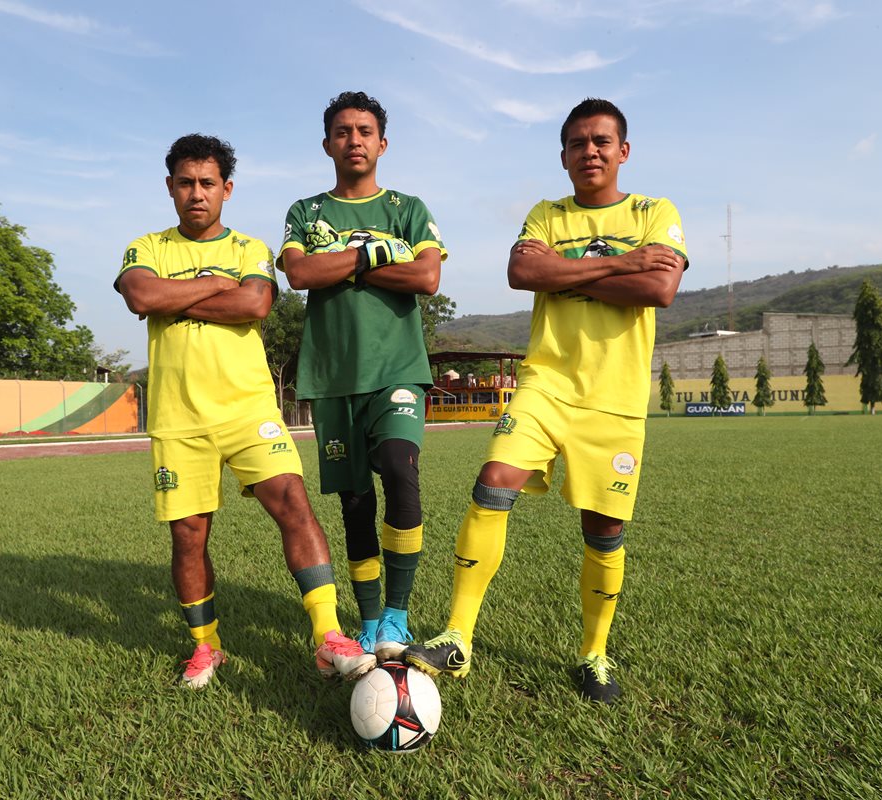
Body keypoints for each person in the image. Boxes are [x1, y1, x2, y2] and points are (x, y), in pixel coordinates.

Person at [404, 98, 688, 703]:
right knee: (492, 485)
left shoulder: (654, 211)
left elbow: (659, 287)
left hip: (615, 398)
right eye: (579, 143)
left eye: (602, 141)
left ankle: (594, 654)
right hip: (545, 382)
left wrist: (572, 268)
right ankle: (458, 638)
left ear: (624, 151)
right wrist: (623, 261)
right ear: (563, 156)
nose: (591, 151)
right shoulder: (545, 213)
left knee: (603, 528)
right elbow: (522, 273)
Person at [114, 133, 375, 689]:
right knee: (188, 535)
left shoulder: (249, 248)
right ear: (170, 187)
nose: (196, 193)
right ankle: (205, 648)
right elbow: (141, 296)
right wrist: (214, 287)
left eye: (207, 183)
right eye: (185, 183)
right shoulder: (146, 247)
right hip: (178, 417)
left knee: (294, 507)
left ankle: (328, 636)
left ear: (226, 189)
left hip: (247, 409)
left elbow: (255, 302)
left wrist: (180, 292)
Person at [278, 91, 446, 661]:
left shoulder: (408, 207)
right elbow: (300, 271)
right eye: (344, 131)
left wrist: (343, 267)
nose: (355, 140)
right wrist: (376, 257)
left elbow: (426, 276)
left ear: (382, 143)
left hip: (397, 368)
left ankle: (397, 611)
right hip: (331, 378)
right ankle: (370, 617)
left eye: (365, 130)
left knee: (400, 470)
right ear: (328, 143)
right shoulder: (306, 211)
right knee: (354, 503)